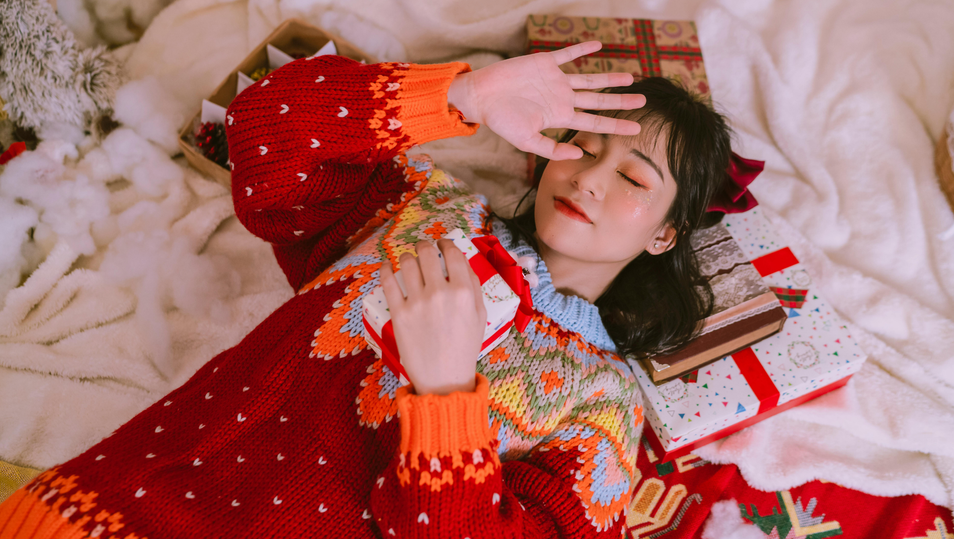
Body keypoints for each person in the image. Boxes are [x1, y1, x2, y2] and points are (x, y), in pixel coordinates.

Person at [0, 40, 733, 538]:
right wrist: (460, 92)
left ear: (665, 234)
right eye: (580, 142)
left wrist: (445, 396)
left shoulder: (604, 410)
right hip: (97, 511)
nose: (592, 176)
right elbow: (259, 135)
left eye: (636, 178)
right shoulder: (422, 203)